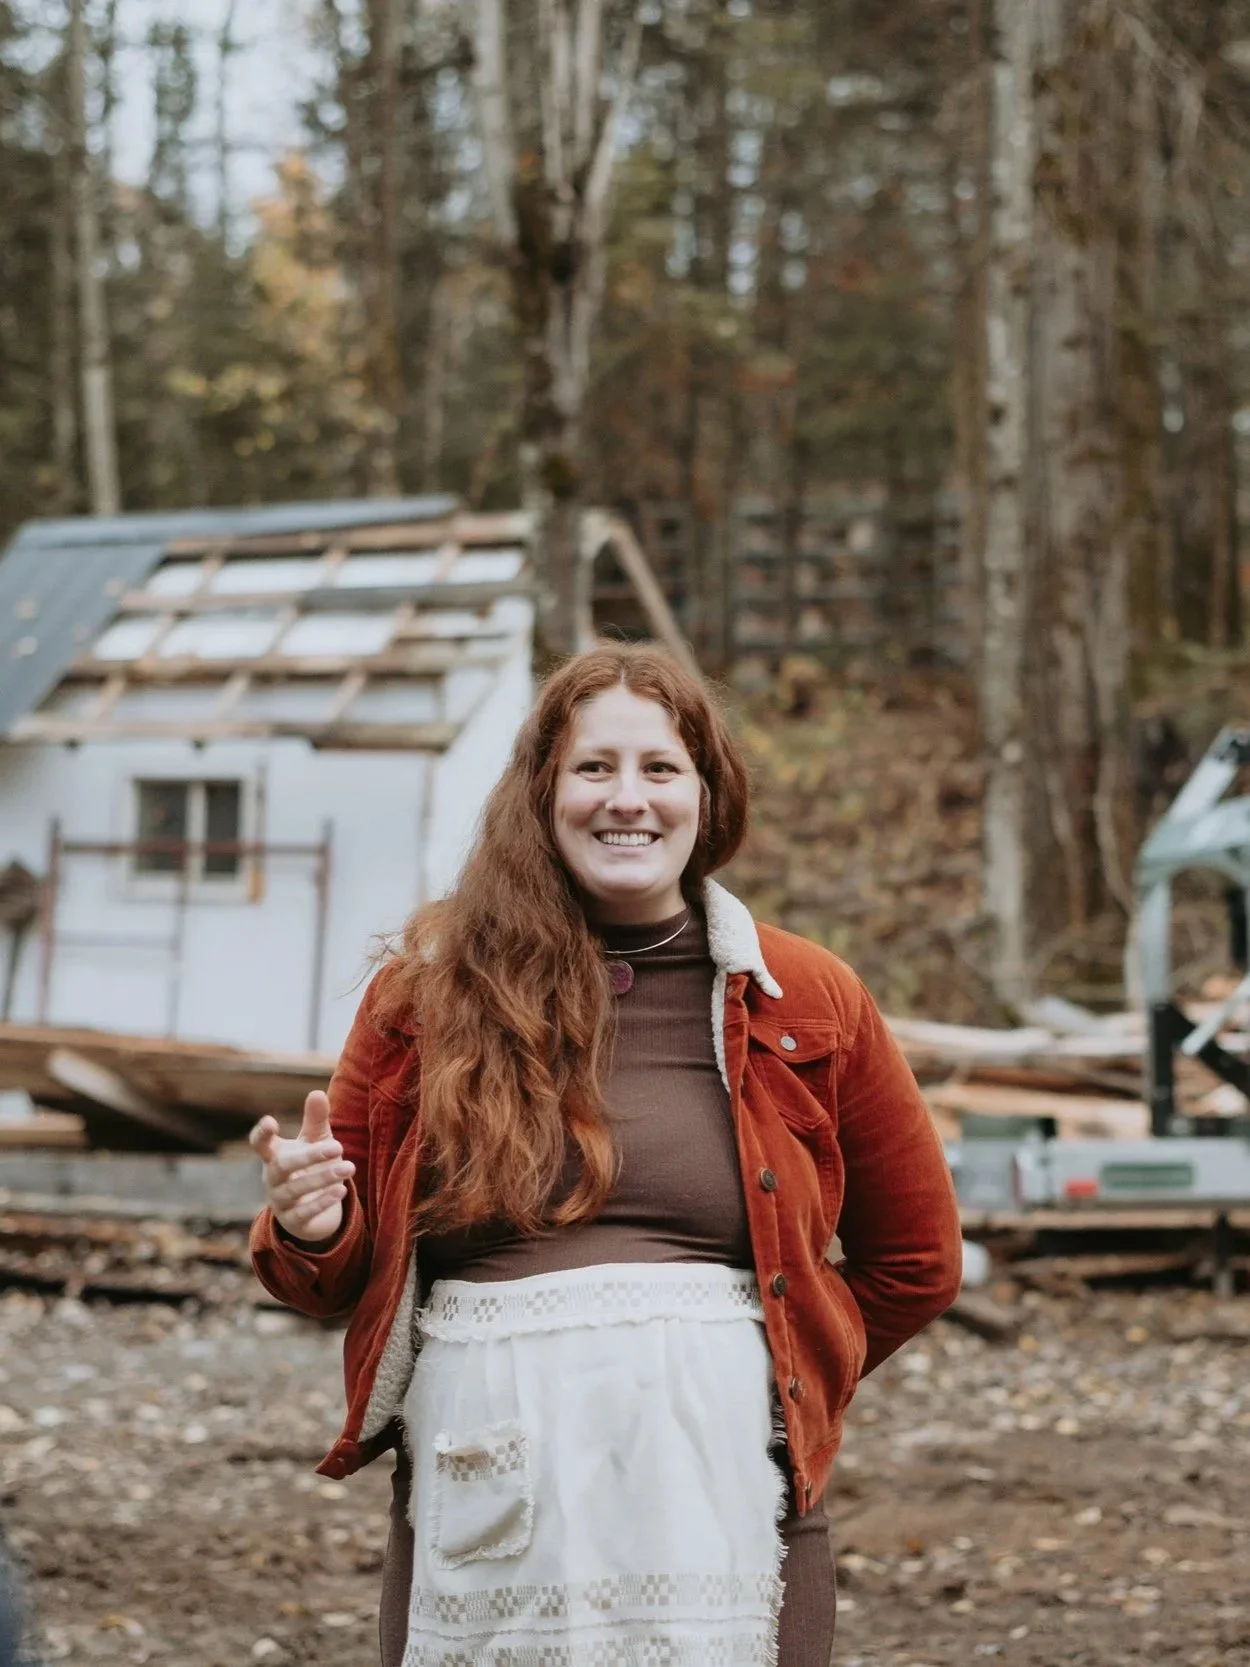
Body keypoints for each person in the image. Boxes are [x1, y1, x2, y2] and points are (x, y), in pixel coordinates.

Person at [249, 644, 961, 1667]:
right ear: (540, 790)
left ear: (706, 795)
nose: (626, 798)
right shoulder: (427, 995)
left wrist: (772, 1373)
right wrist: (310, 1222)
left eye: (659, 768)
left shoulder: (807, 997)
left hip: (726, 1488)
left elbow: (917, 1260)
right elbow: (324, 1280)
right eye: (593, 768)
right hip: (487, 1493)